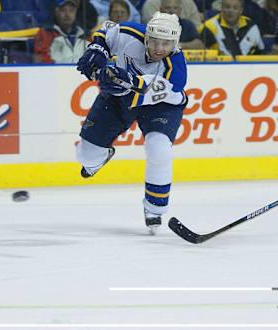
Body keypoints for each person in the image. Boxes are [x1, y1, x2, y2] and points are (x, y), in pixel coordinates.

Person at [75, 12, 188, 234]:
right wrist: (96, 49)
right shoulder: (129, 32)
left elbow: (142, 89)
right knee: (86, 156)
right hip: (119, 98)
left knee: (159, 148)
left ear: (175, 43)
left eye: (166, 43)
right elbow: (106, 32)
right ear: (147, 37)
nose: (159, 48)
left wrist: (121, 80)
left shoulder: (176, 70)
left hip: (161, 105)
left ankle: (154, 208)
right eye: (155, 41)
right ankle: (100, 156)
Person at [199, 0, 264, 56]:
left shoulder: (251, 26)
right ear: (221, 8)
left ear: (241, 10)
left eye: (235, 8)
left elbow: (261, 53)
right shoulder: (209, 26)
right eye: (227, 7)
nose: (230, 11)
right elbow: (200, 54)